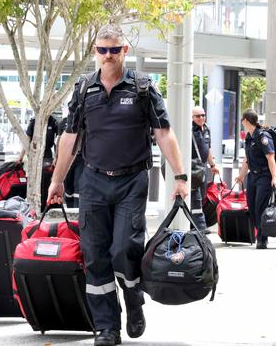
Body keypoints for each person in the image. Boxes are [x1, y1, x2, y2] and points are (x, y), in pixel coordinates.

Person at [47, 24, 187, 346]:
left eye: (115, 50)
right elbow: (71, 137)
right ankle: (107, 327)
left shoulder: (142, 87)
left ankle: (134, 298)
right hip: (93, 181)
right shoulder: (85, 90)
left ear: (125, 50)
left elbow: (163, 133)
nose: (108, 56)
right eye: (102, 50)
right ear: (95, 52)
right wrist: (57, 180)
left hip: (132, 181)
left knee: (125, 249)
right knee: (95, 255)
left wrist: (179, 177)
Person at [235, 109, 276, 249]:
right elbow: (247, 159)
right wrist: (241, 176)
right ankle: (259, 233)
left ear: (246, 120)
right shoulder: (249, 137)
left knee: (260, 207)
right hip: (252, 176)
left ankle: (262, 238)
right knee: (252, 207)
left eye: (242, 119)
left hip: (264, 176)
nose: (242, 122)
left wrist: (274, 177)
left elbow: (270, 157)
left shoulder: (262, 136)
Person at [17, 114, 59, 211]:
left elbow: (58, 140)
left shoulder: (53, 122)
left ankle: (46, 207)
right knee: (35, 183)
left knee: (46, 182)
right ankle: (33, 208)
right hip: (34, 156)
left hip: (47, 157)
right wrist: (20, 157)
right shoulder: (34, 121)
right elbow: (26, 140)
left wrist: (57, 157)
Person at [191, 106, 219, 233]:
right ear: (192, 117)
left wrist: (212, 165)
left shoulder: (206, 129)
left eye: (203, 115)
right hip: (192, 167)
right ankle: (199, 226)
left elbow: (207, 149)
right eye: (198, 116)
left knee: (202, 197)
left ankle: (195, 224)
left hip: (202, 167)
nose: (201, 118)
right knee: (195, 197)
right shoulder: (189, 129)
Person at [57, 117, 84, 208]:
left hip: (80, 158)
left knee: (78, 184)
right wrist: (57, 157)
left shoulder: (84, 119)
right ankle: (69, 207)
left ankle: (77, 209)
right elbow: (59, 140)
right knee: (68, 186)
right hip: (67, 158)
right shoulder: (64, 122)